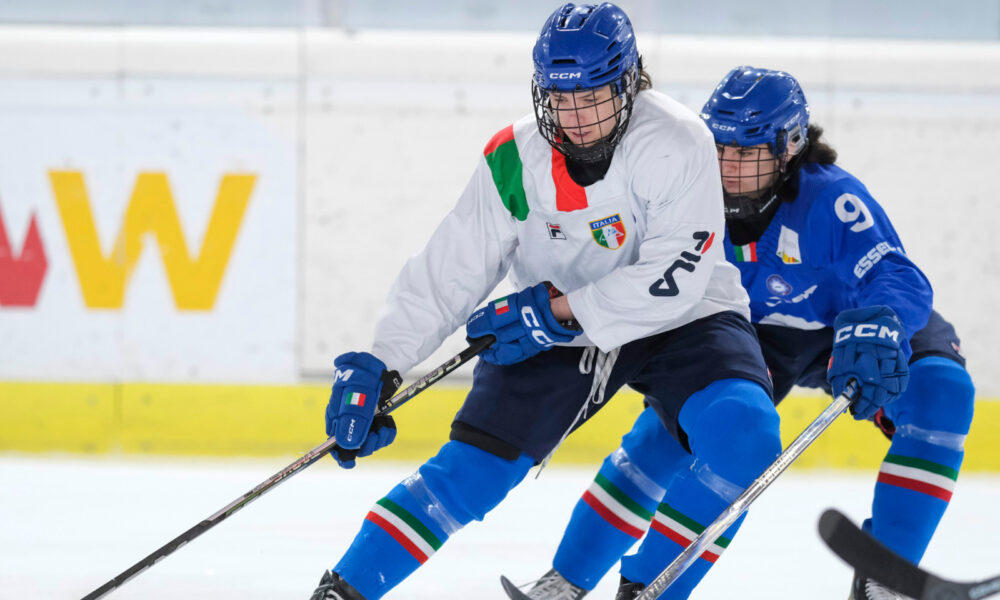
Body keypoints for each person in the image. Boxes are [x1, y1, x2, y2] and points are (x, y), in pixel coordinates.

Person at [305, 5, 811, 599]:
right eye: (559, 97)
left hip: (684, 319)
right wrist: (381, 360)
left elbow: (677, 273)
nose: (573, 116)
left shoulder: (677, 140)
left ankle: (648, 591)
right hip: (552, 323)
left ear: (629, 82)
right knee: (473, 473)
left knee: (745, 431)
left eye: (592, 95)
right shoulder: (513, 158)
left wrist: (559, 310)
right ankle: (345, 590)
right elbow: (450, 269)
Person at [502, 67, 975, 600]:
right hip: (752, 332)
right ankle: (567, 581)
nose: (728, 166)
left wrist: (883, 320)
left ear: (790, 147)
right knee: (671, 438)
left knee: (943, 391)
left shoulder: (831, 200)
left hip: (851, 324)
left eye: (747, 153)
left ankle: (888, 584)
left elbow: (896, 272)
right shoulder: (684, 194)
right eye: (720, 148)